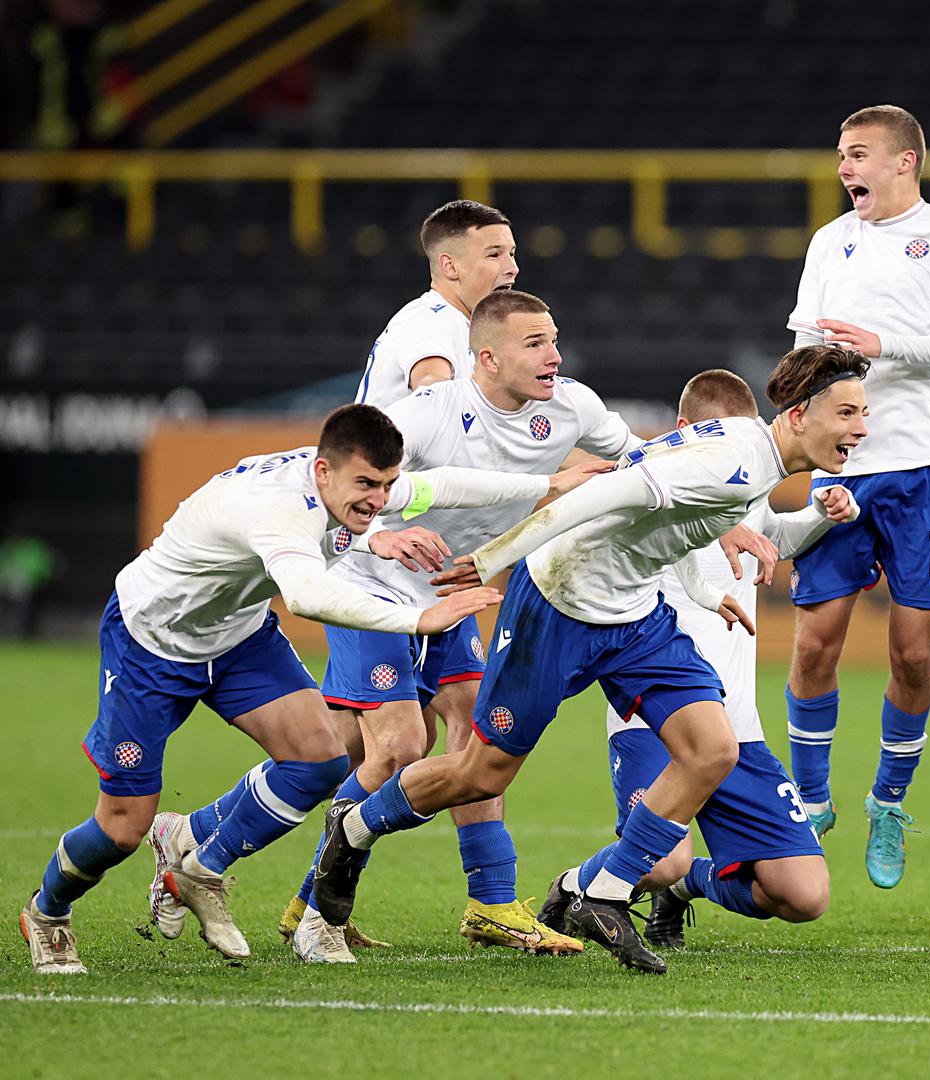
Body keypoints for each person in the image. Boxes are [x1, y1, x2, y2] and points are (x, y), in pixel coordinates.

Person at [312, 346, 870, 974]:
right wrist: (497, 555)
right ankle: (354, 828)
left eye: (863, 413)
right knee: (480, 774)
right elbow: (604, 495)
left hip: (631, 614)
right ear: (798, 416)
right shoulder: (736, 462)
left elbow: (671, 517)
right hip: (558, 601)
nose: (861, 427)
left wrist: (707, 592)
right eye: (847, 412)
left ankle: (603, 894)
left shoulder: (749, 444)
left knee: (713, 748)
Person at [18, 404, 571, 974]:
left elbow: (441, 485)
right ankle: (48, 911)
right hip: (152, 644)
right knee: (122, 828)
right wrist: (418, 620)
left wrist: (550, 481)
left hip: (238, 635)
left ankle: (199, 865)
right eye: (366, 486)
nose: (377, 499)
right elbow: (307, 596)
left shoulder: (345, 481)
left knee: (319, 760)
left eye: (384, 486)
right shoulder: (281, 510)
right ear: (324, 472)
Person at [274, 290, 633, 962]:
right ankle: (313, 905)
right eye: (536, 344)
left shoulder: (572, 406)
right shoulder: (429, 413)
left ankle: (491, 902)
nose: (555, 355)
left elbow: (639, 459)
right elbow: (335, 476)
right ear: (488, 357)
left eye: (555, 339)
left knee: (478, 726)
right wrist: (378, 533)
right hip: (369, 585)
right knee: (398, 748)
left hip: (449, 595)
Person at [536, 369, 856, 950]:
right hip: (654, 714)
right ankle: (576, 885)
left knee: (804, 895)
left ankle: (686, 888)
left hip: (738, 723)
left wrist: (818, 515)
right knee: (661, 860)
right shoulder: (657, 489)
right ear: (686, 430)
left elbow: (770, 540)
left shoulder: (748, 483)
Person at [783, 104, 930, 889]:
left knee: (911, 651)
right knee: (815, 643)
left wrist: (880, 347)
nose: (845, 169)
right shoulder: (828, 242)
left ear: (905, 161)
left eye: (859, 154)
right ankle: (809, 798)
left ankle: (889, 804)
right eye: (841, 155)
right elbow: (807, 349)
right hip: (843, 465)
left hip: (927, 464)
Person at [355, 199, 518, 407]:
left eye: (511, 254)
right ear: (450, 266)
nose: (513, 268)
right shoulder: (431, 319)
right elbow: (432, 394)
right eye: (494, 255)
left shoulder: (462, 324)